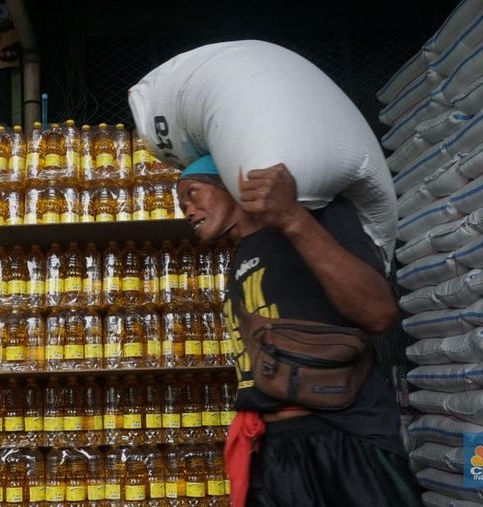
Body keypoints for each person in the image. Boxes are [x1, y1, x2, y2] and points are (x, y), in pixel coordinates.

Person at [176, 155, 422, 506]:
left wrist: (292, 217)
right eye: (182, 203)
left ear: (231, 183)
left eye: (192, 193)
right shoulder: (241, 256)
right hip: (276, 449)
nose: (187, 210)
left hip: (344, 439)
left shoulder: (316, 219)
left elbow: (379, 313)